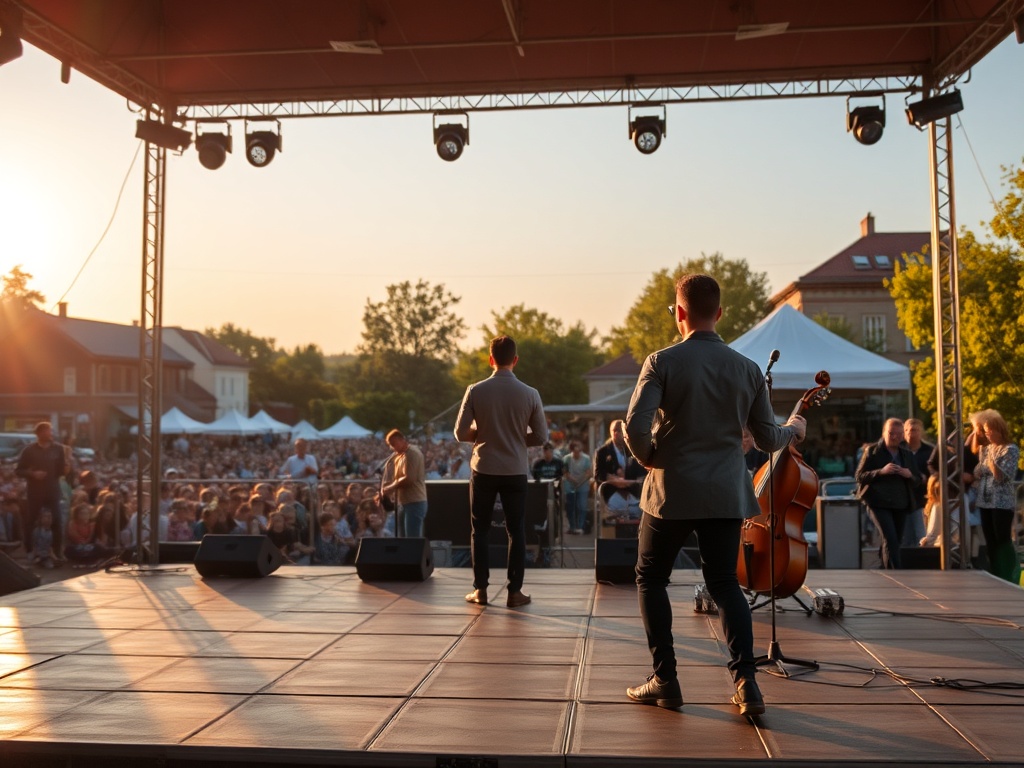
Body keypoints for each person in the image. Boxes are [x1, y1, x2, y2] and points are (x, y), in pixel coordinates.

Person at [623, 273, 806, 717]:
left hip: (670, 492)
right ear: (719, 313)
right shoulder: (746, 368)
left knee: (651, 578)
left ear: (679, 313)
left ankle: (665, 679)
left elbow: (633, 426)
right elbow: (766, 439)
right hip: (726, 493)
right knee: (726, 584)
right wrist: (794, 429)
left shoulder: (660, 361)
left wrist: (649, 458)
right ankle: (746, 684)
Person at [455, 335, 548, 608]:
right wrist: (517, 439)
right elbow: (541, 436)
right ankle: (515, 592)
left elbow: (460, 433)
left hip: (483, 467)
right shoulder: (531, 394)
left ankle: (480, 590)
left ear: (490, 358)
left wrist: (485, 434)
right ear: (515, 360)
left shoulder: (475, 390)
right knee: (515, 531)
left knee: (479, 530)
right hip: (515, 469)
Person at [855, 419, 922, 569]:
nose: (895, 437)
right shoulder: (872, 451)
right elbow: (859, 476)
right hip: (878, 503)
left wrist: (909, 474)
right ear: (884, 433)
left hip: (900, 503)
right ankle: (897, 572)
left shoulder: (907, 455)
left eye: (899, 434)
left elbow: (917, 480)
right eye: (891, 433)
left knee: (895, 541)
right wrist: (881, 472)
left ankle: (886, 569)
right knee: (890, 538)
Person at [970, 409, 1020, 582]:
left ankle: (1009, 571)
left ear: (999, 429)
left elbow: (1001, 476)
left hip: (1002, 502)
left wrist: (991, 464)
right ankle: (995, 573)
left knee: (1002, 537)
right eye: (985, 430)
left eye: (989, 430)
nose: (987, 434)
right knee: (990, 539)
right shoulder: (986, 449)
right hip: (985, 501)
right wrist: (987, 465)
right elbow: (977, 472)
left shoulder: (1010, 449)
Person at [15, 422, 68, 558]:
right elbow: (19, 470)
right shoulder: (29, 450)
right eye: (46, 431)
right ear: (39, 434)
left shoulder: (58, 449)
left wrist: (66, 469)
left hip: (52, 490)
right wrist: (32, 474)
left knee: (56, 520)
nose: (49, 434)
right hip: (35, 491)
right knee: (31, 520)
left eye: (50, 431)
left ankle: (57, 551)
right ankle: (29, 550)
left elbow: (61, 470)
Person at [381, 429, 428, 538]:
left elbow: (409, 478)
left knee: (412, 540)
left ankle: (416, 555)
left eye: (393, 444)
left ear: (401, 440)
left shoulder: (412, 453)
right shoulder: (400, 456)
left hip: (415, 502)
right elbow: (397, 479)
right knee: (403, 540)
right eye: (390, 445)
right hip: (403, 503)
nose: (392, 448)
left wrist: (390, 488)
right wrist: (385, 493)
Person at [594, 420, 646, 508]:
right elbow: (598, 474)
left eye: (620, 430)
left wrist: (630, 480)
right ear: (612, 432)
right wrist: (612, 478)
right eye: (614, 430)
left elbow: (641, 471)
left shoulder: (632, 450)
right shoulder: (602, 452)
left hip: (633, 494)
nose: (617, 433)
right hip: (612, 494)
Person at [902, 418, 935, 547]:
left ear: (920, 432)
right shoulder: (899, 450)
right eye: (908, 430)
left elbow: (935, 472)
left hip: (923, 499)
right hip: (903, 499)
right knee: (905, 538)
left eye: (914, 430)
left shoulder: (930, 451)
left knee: (921, 536)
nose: (911, 433)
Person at [562, 441, 591, 535]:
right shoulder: (566, 459)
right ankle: (572, 526)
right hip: (570, 485)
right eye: (574, 451)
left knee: (582, 506)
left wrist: (580, 482)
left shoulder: (586, 459)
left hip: (582, 485)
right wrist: (573, 481)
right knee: (570, 507)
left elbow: (588, 473)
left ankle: (580, 526)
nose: (576, 453)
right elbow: (566, 473)